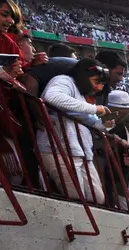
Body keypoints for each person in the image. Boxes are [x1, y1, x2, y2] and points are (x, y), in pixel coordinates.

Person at [36, 58, 109, 205]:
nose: (99, 88)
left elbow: (82, 116)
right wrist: (94, 109)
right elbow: (52, 97)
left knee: (97, 198)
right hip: (58, 149)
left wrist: (104, 124)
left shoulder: (80, 94)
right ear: (83, 76)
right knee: (76, 198)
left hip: (80, 152)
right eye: (96, 81)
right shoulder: (64, 81)